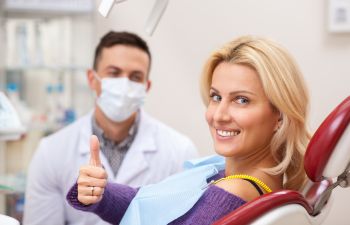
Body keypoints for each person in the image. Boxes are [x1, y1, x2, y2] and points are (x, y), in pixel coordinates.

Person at [66, 35, 310, 225]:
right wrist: (99, 193)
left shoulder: (231, 194)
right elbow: (146, 203)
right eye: (216, 97)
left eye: (241, 100)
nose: (219, 115)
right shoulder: (225, 175)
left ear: (280, 114)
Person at [23, 31, 198, 225]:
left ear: (146, 87)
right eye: (114, 73)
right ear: (92, 79)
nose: (124, 84)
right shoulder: (51, 152)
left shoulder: (179, 151)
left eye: (135, 77)